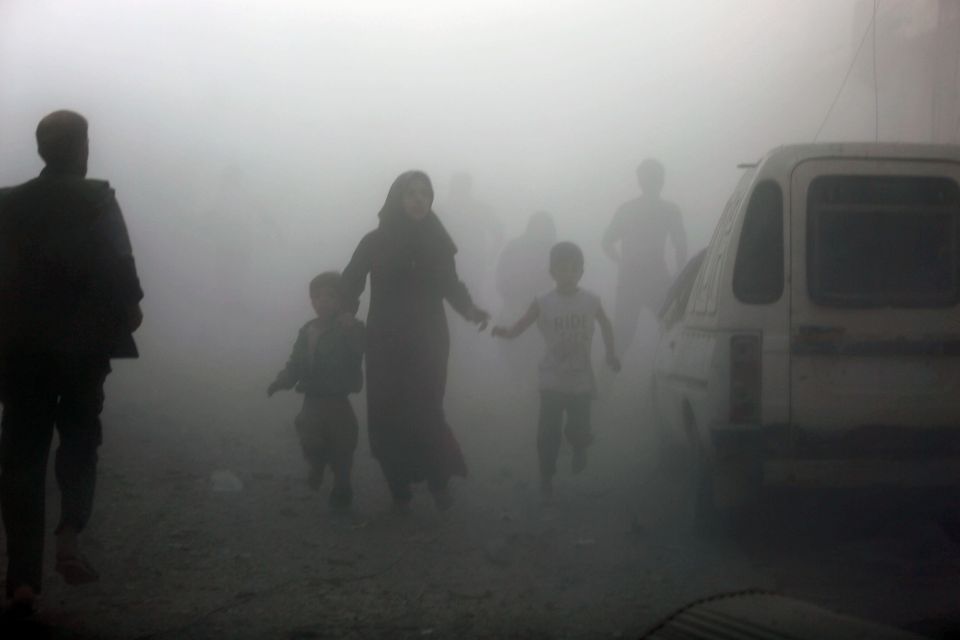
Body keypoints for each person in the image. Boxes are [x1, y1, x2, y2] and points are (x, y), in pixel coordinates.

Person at [0, 110, 143, 616]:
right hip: (83, 348)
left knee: (20, 455)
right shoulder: (99, 198)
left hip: (20, 350)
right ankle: (69, 533)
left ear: (41, 149)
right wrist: (129, 312)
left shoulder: (8, 203)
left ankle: (21, 579)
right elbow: (123, 268)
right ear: (81, 148)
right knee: (81, 438)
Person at [340, 171, 489, 511]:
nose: (419, 200)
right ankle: (398, 484)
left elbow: (450, 284)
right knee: (387, 411)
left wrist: (470, 309)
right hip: (385, 340)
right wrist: (347, 310)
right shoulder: (374, 242)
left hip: (429, 339)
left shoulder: (437, 242)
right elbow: (351, 280)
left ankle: (438, 481)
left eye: (425, 193)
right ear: (397, 198)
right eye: (411, 193)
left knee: (426, 409)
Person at [492, 242, 620, 502]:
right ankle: (546, 477)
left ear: (581, 272)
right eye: (562, 269)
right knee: (547, 433)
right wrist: (507, 333)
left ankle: (580, 447)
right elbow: (523, 323)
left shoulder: (591, 301)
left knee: (578, 429)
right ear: (552, 272)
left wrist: (610, 353)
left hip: (581, 380)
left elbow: (606, 324)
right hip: (551, 378)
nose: (568, 274)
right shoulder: (543, 301)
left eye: (574, 269)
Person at [267, 272, 364, 511]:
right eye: (318, 297)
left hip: (339, 400)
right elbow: (296, 363)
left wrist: (352, 327)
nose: (324, 301)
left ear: (341, 301)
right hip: (313, 398)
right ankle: (317, 465)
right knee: (310, 437)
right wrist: (281, 381)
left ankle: (342, 487)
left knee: (344, 446)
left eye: (330, 296)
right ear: (312, 301)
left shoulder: (349, 327)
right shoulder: (307, 331)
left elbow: (361, 347)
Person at [602, 158, 687, 356]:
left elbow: (606, 241)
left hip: (642, 278)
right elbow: (680, 246)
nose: (651, 182)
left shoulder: (635, 209)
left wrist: (619, 261)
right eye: (649, 178)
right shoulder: (666, 210)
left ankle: (608, 383)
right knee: (669, 331)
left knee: (670, 331)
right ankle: (607, 383)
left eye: (653, 178)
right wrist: (679, 275)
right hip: (646, 278)